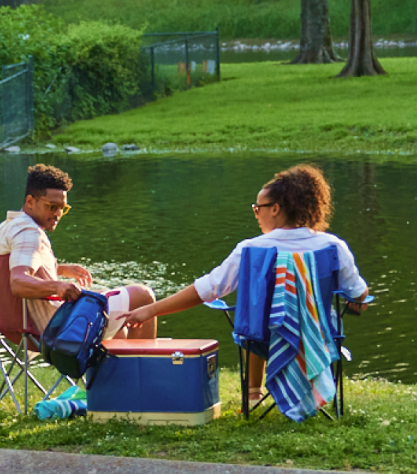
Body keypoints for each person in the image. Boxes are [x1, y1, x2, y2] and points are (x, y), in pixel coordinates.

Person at [119, 163, 369, 404]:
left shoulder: (252, 249)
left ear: (275, 209)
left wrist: (152, 309)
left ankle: (253, 393)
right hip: (317, 336)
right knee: (271, 315)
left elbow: (207, 289)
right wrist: (356, 301)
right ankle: (314, 389)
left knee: (256, 316)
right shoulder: (333, 246)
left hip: (264, 339)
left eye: (258, 208)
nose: (256, 214)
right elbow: (358, 292)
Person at [0, 163, 158, 340]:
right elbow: (18, 282)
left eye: (63, 208)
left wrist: (59, 269)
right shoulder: (29, 233)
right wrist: (57, 286)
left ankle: (125, 368)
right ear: (30, 201)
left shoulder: (6, 227)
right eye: (52, 206)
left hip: (18, 327)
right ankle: (148, 365)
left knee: (117, 323)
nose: (58, 214)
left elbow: (15, 266)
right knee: (143, 295)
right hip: (56, 327)